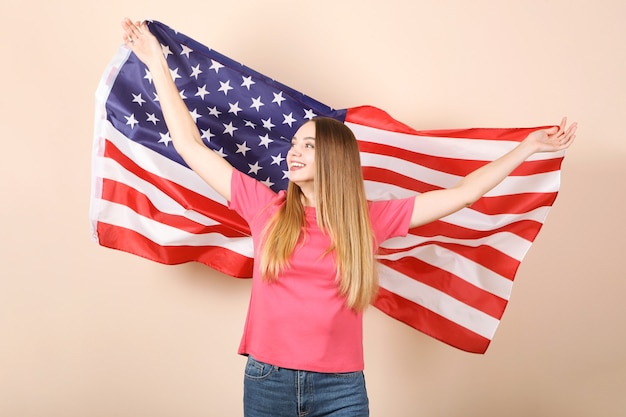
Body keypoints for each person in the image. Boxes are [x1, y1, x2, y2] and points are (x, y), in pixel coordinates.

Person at [120, 18, 577, 417]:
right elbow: (189, 146)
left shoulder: (368, 222)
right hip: (267, 381)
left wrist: (528, 148)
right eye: (294, 144)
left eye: (308, 145)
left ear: (335, 159)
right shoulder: (264, 206)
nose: (294, 153)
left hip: (341, 388)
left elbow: (464, 192)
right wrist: (156, 63)